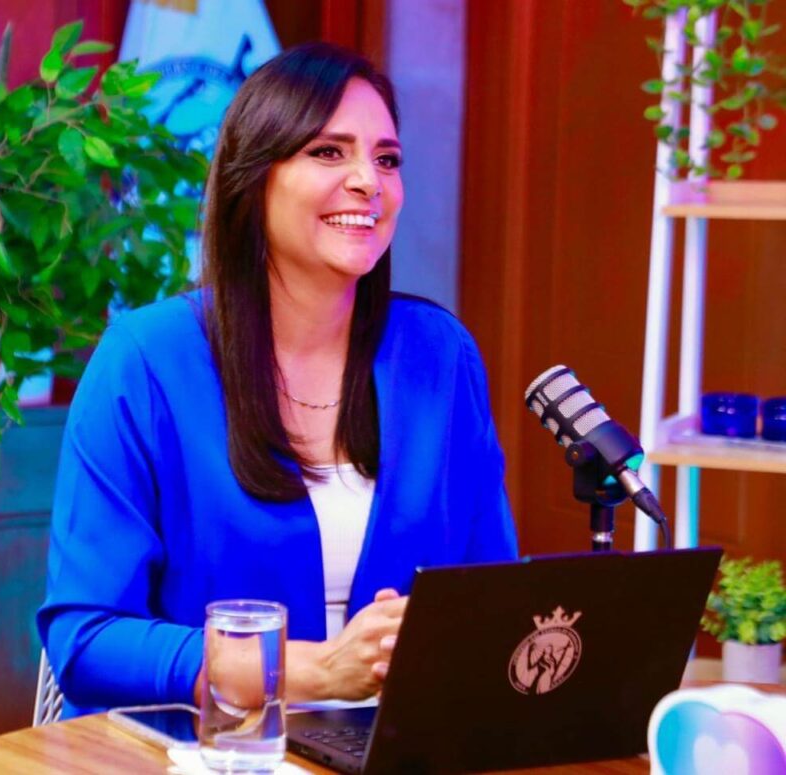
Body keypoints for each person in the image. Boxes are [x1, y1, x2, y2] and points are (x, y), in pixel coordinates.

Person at [37, 41, 517, 718]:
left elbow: (494, 599)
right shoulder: (145, 360)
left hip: (392, 748)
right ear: (254, 177)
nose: (368, 180)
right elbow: (86, 640)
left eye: (386, 158)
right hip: (197, 751)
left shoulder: (440, 356)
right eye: (328, 151)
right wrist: (313, 670)